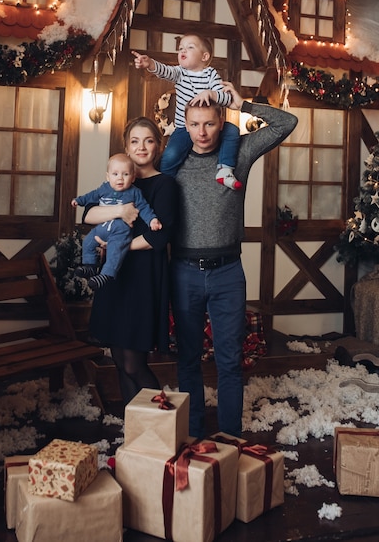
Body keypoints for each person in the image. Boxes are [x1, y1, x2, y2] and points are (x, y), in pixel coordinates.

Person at [170, 85, 298, 438]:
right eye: (194, 124)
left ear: (221, 122)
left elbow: (286, 122)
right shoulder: (171, 161)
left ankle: (229, 438)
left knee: (229, 362)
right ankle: (192, 435)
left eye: (209, 124)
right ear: (185, 125)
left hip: (228, 272)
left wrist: (242, 104)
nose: (202, 132)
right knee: (187, 360)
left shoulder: (238, 153)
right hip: (183, 272)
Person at [83, 117, 178, 406]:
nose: (141, 147)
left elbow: (157, 238)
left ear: (158, 147)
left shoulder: (165, 186)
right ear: (126, 146)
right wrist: (121, 209)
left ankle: (163, 424)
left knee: (135, 363)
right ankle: (133, 431)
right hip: (114, 279)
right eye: (135, 141)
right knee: (119, 362)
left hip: (143, 280)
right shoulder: (117, 179)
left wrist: (117, 248)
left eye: (149, 141)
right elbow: (88, 215)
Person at [132, 33, 242, 190]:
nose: (183, 51)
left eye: (190, 47)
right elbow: (164, 71)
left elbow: (226, 99)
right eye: (180, 48)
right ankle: (164, 183)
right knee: (170, 156)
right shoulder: (180, 73)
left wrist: (211, 94)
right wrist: (149, 64)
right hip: (184, 128)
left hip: (208, 126)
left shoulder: (211, 75)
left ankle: (224, 169)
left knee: (232, 130)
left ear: (204, 56)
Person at [71, 153, 162, 290]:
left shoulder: (134, 192)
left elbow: (144, 208)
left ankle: (107, 274)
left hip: (120, 231)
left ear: (133, 177)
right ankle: (90, 266)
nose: (120, 178)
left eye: (125, 174)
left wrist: (152, 220)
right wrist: (79, 200)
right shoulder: (104, 188)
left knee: (115, 250)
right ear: (108, 177)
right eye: (115, 174)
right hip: (102, 228)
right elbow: (92, 196)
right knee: (89, 241)